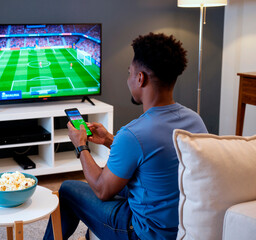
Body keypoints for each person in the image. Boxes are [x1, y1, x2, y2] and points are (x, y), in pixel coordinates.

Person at [43, 32, 208, 240]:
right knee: (120, 179)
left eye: (130, 73)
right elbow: (153, 159)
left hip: (143, 234)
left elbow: (102, 190)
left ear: (140, 78)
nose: (128, 79)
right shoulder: (195, 120)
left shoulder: (133, 134)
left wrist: (80, 145)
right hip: (182, 227)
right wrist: (109, 140)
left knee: (68, 189)